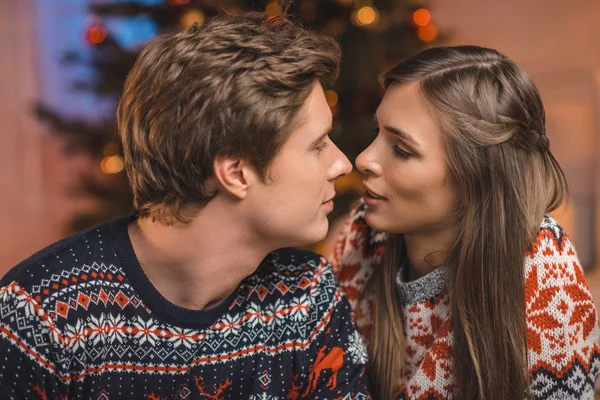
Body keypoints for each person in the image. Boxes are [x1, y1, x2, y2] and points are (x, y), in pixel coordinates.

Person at [0, 11, 371, 399]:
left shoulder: (307, 295)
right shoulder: (39, 319)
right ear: (237, 172)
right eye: (317, 145)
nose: (342, 164)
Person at [329, 45, 600, 400]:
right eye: (377, 132)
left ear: (476, 177)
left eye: (402, 149)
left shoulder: (544, 272)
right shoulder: (360, 232)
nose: (363, 159)